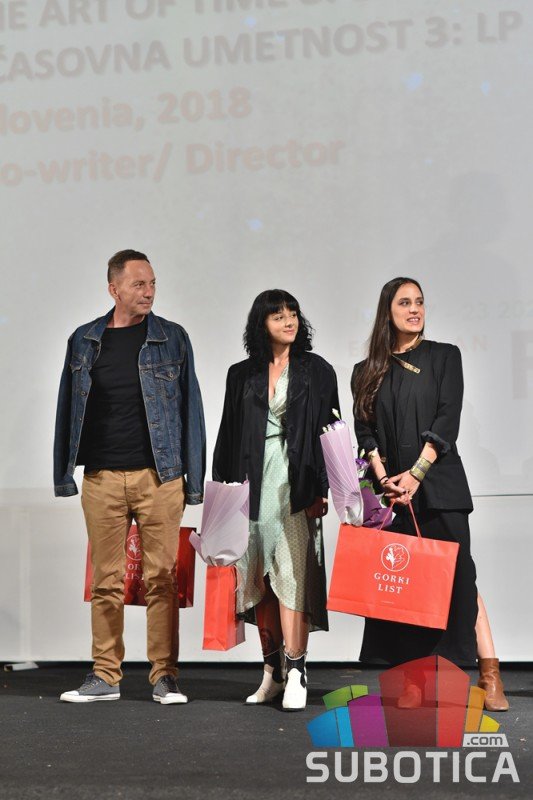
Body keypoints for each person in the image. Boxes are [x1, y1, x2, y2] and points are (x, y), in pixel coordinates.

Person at [54, 250, 206, 704]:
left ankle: (164, 676)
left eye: (153, 283)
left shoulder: (172, 338)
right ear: (113, 289)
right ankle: (105, 675)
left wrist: (193, 481)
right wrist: (64, 474)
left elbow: (191, 411)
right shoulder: (84, 341)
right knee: (106, 580)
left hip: (159, 477)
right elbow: (67, 409)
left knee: (162, 579)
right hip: (101, 478)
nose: (149, 291)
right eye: (139, 284)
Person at [351, 277, 508, 711]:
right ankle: (414, 680)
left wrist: (416, 475)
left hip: (439, 487)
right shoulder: (366, 371)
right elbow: (365, 431)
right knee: (405, 589)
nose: (415, 309)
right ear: (388, 312)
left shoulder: (444, 356)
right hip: (392, 496)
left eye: (419, 302)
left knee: (460, 580)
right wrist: (385, 479)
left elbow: (446, 419)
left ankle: (490, 674)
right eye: (405, 303)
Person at [213, 290, 339, 710]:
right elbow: (228, 434)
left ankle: (298, 670)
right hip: (252, 485)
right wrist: (223, 495)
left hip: (296, 485)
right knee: (259, 581)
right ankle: (272, 671)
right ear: (261, 324)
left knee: (293, 576)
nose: (289, 321)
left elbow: (331, 432)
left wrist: (322, 489)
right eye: (278, 315)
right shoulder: (240, 374)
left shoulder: (317, 370)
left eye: (293, 313)